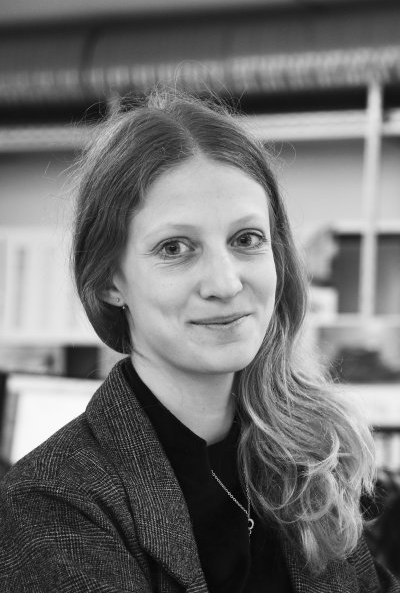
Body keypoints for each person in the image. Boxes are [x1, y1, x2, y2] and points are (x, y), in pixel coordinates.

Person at [0, 89, 398, 593]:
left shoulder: (309, 465)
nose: (225, 283)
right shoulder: (53, 504)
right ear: (108, 281)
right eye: (175, 248)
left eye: (246, 239)